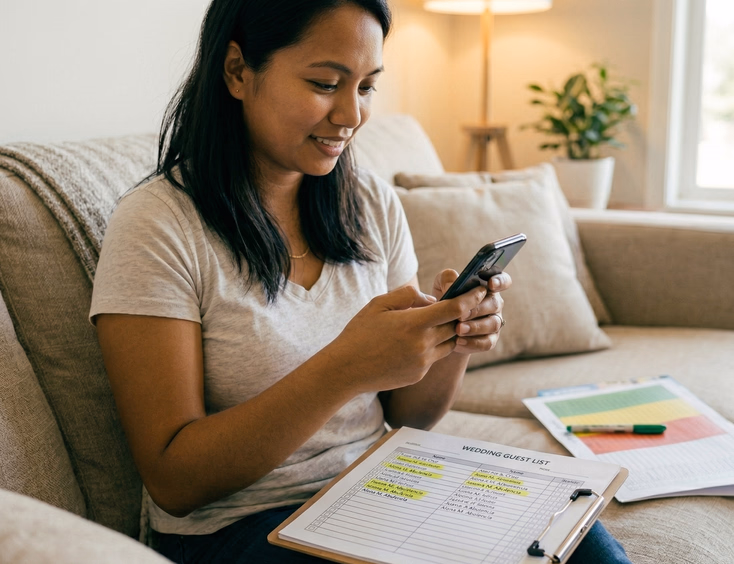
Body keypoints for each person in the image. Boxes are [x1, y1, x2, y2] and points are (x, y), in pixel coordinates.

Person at [90, 0, 631, 562]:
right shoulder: (157, 225)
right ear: (236, 71)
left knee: (581, 543)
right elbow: (175, 482)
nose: (351, 114)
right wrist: (346, 366)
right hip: (239, 527)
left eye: (367, 87)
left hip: (375, 491)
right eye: (325, 83)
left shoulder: (368, 203)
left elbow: (409, 415)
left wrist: (452, 339)